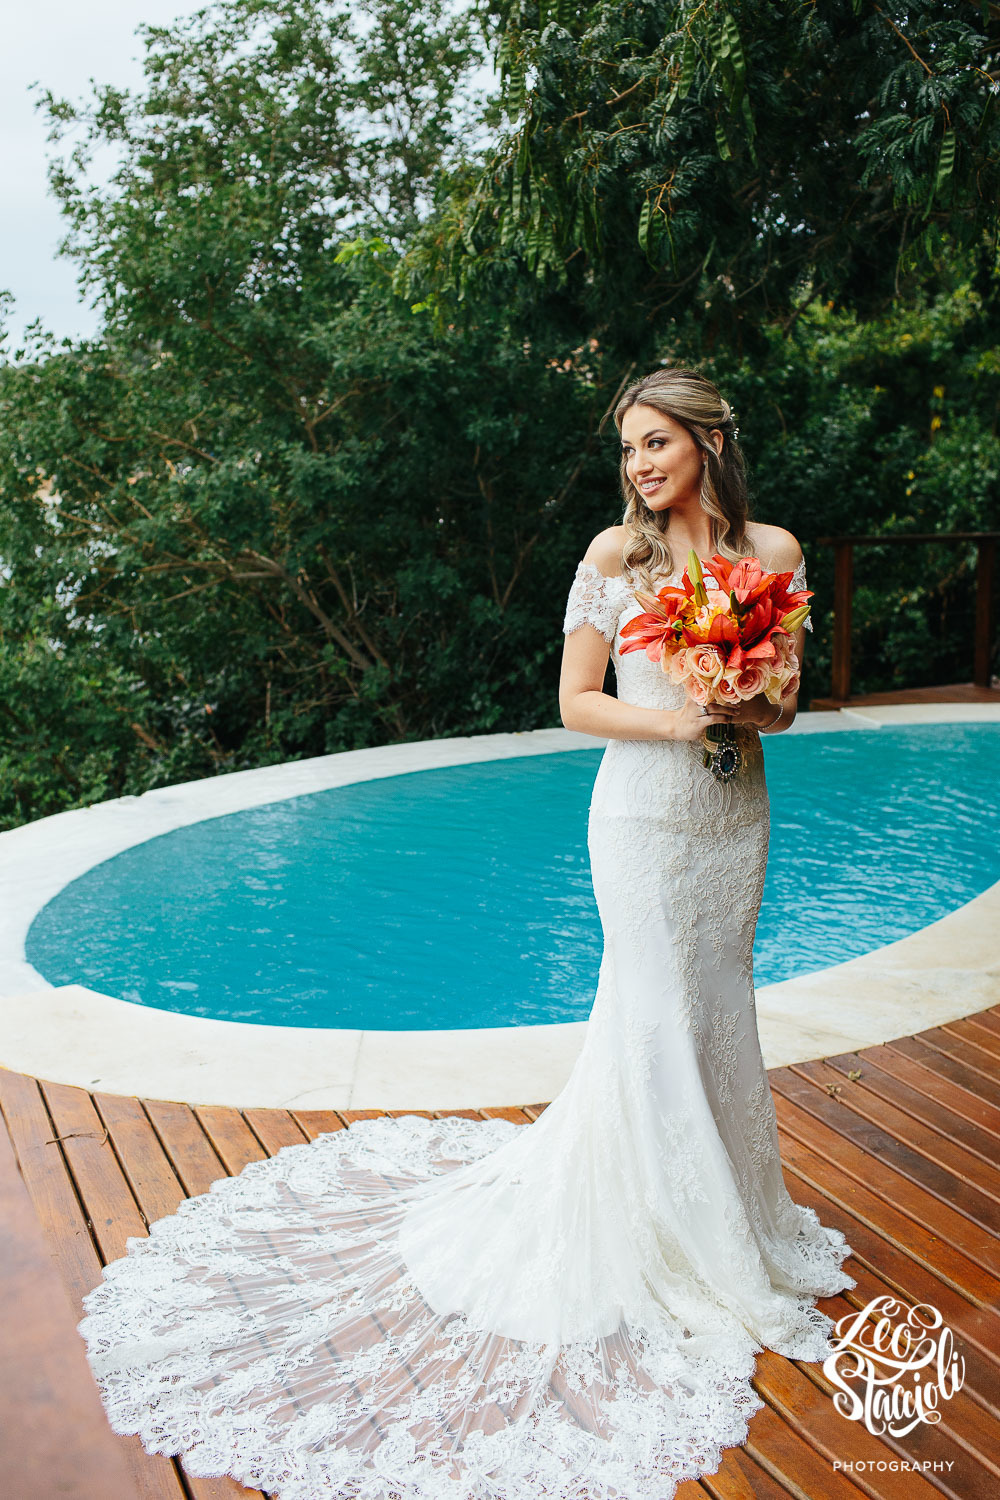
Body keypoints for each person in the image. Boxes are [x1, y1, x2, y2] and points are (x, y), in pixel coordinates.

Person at [78, 366, 855, 1500]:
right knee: (648, 1013)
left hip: (735, 813)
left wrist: (745, 700)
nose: (639, 466)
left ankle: (735, 1217)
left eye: (656, 443)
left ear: (709, 440)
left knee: (717, 1004)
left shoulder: (773, 555)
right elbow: (576, 703)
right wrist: (680, 714)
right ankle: (663, 1234)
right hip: (641, 812)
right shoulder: (612, 558)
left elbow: (786, 704)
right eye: (627, 450)